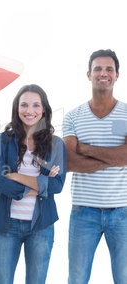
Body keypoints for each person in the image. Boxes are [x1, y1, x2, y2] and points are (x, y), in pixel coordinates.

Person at [0, 84, 66, 284]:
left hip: (41, 226)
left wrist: (14, 176)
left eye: (35, 105)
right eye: (24, 105)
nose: (29, 111)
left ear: (44, 110)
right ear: (17, 108)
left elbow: (57, 185)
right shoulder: (3, 141)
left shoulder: (56, 144)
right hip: (6, 226)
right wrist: (41, 186)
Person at [63, 49, 127, 283]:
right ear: (88, 74)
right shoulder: (73, 116)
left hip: (122, 211)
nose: (104, 73)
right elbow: (69, 161)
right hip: (83, 211)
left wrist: (86, 149)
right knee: (77, 279)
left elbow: (126, 158)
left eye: (109, 69)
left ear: (117, 75)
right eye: (98, 69)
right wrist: (115, 156)